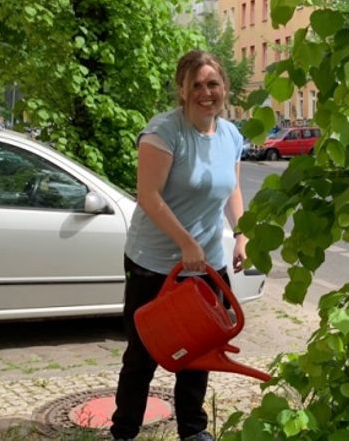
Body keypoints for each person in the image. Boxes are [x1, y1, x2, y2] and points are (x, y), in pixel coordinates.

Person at [110, 50, 247, 441]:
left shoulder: (230, 135)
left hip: (206, 263)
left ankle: (192, 430)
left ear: (225, 87)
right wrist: (185, 242)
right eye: (196, 85)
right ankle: (124, 432)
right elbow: (149, 195)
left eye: (213, 84)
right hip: (155, 263)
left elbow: (232, 188)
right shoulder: (164, 133)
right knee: (143, 353)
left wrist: (241, 234)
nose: (206, 93)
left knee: (199, 349)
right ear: (182, 91)